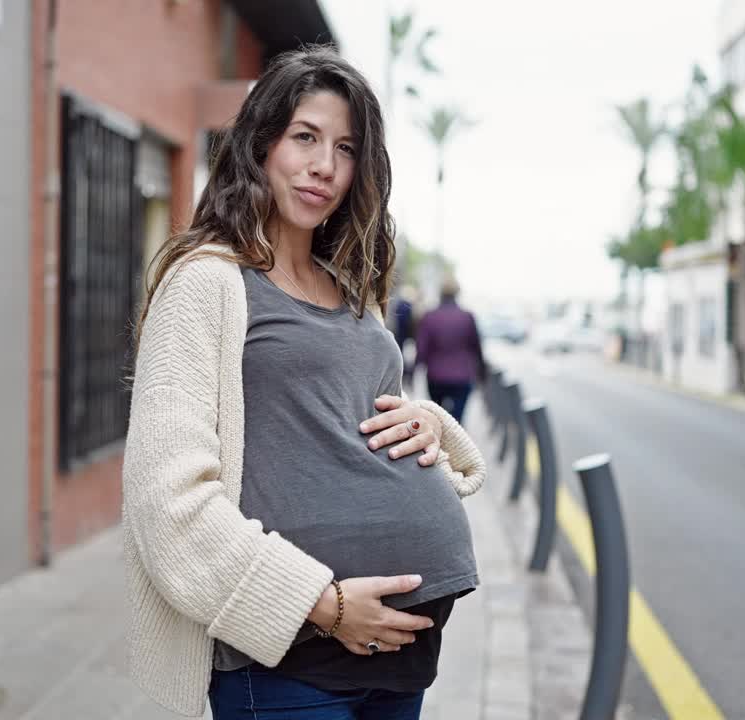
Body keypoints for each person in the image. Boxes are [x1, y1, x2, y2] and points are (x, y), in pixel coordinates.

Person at [123, 46, 487, 720]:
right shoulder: (207, 282)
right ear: (262, 146)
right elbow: (166, 503)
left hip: (400, 655)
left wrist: (430, 423)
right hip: (290, 657)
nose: (325, 165)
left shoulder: (351, 290)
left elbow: (349, 420)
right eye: (305, 138)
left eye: (345, 149)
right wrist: (324, 605)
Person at [415, 277, 487, 423]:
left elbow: (422, 348)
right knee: (457, 421)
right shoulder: (467, 317)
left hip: (436, 376)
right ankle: (455, 445)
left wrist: (412, 370)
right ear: (457, 293)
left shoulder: (430, 317)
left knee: (436, 419)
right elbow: (476, 346)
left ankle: (439, 444)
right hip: (463, 376)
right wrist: (482, 371)